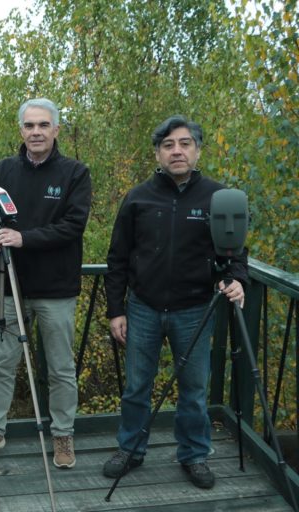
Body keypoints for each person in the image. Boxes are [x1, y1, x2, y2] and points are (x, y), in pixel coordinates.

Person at [102, 115, 248, 489]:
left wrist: (237, 282)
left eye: (185, 143)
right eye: (169, 145)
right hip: (143, 308)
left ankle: (194, 455)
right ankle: (131, 449)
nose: (177, 151)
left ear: (198, 150)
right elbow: (117, 258)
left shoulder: (218, 197)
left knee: (194, 389)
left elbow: (236, 257)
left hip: (195, 309)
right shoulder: (138, 197)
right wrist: (115, 309)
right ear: (158, 152)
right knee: (137, 386)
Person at [0, 98, 92, 469]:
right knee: (2, 363)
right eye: (29, 126)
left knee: (60, 367)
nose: (35, 132)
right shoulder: (2, 170)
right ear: (20, 130)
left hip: (56, 289)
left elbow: (73, 225)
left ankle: (63, 435)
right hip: (10, 287)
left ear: (56, 130)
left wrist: (24, 238)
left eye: (43, 125)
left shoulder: (75, 172)